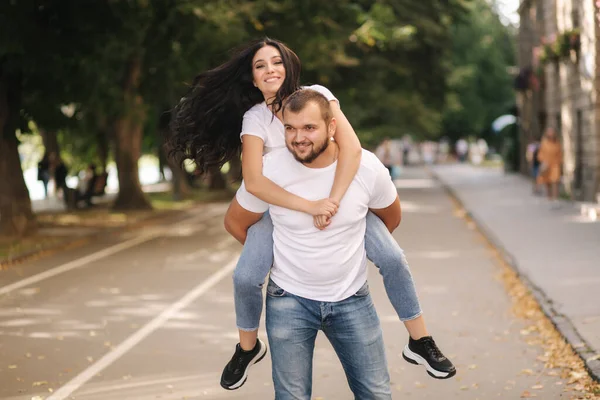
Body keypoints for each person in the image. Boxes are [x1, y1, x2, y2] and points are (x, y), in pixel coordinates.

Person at [167, 38, 455, 390]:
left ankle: (419, 341)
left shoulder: (316, 95)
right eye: (260, 66)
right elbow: (255, 182)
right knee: (245, 276)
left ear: (289, 67)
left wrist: (332, 200)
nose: (270, 69)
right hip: (281, 206)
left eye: (276, 62)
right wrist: (307, 212)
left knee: (393, 257)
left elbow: (351, 147)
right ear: (253, 79)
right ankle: (247, 347)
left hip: (339, 196)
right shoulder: (255, 118)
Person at [225, 89, 402, 398]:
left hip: (351, 299)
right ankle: (247, 348)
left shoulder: (366, 167)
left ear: (331, 127)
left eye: (309, 128)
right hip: (288, 301)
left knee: (376, 394)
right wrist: (276, 255)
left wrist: (347, 248)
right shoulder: (270, 170)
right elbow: (235, 222)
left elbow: (390, 218)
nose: (298, 137)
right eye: (290, 128)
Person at [537, 127, 563, 204]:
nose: (551, 134)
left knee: (555, 180)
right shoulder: (544, 143)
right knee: (547, 181)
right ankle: (549, 196)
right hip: (546, 164)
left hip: (555, 164)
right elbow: (541, 153)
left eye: (552, 132)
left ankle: (555, 198)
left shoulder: (557, 143)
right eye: (549, 132)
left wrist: (560, 162)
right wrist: (543, 161)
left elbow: (560, 154)